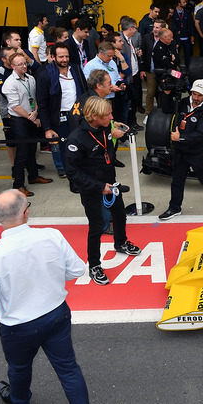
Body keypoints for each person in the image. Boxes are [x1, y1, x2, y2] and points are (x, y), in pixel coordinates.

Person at [0, 189, 89, 404]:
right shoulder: (52, 235)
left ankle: (20, 399)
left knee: (19, 369)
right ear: (26, 213)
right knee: (68, 369)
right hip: (56, 314)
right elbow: (77, 270)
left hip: (18, 326)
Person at [65, 96, 141, 285]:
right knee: (97, 226)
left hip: (110, 182)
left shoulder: (105, 126)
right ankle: (94, 265)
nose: (111, 117)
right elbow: (73, 172)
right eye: (107, 115)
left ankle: (121, 242)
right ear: (93, 117)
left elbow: (108, 138)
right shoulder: (76, 139)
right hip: (92, 188)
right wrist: (100, 187)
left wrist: (118, 132)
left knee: (120, 216)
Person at [158, 80, 203, 220]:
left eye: (199, 95)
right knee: (177, 180)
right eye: (194, 94)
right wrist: (166, 94)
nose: (195, 98)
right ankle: (174, 207)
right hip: (180, 151)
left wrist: (180, 138)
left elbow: (200, 135)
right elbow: (166, 108)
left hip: (196, 152)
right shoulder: (183, 102)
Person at [2, 53, 53, 197]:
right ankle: (18, 185)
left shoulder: (30, 78)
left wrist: (36, 112)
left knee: (32, 149)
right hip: (19, 120)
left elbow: (35, 98)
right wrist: (31, 117)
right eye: (20, 64)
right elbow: (15, 106)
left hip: (31, 117)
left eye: (25, 63)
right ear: (13, 66)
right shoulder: (10, 83)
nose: (24, 66)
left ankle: (33, 176)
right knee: (22, 153)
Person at [35, 43, 87, 178]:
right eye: (61, 56)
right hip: (59, 117)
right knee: (61, 146)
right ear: (53, 57)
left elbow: (84, 90)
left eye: (66, 56)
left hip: (77, 114)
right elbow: (42, 103)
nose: (64, 59)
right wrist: (47, 127)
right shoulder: (45, 74)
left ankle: (78, 167)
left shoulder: (75, 69)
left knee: (79, 143)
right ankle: (64, 169)